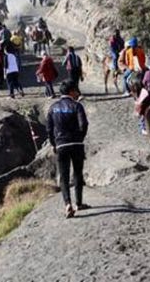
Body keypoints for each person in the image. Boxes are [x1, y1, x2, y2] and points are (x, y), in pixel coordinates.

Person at [47, 80, 89, 218]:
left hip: (61, 144)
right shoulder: (77, 106)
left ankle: (67, 204)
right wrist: (80, 138)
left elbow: (49, 129)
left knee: (64, 176)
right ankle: (79, 203)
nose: (77, 93)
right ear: (71, 91)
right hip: (76, 143)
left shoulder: (53, 108)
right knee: (78, 173)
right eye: (76, 90)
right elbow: (84, 125)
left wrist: (54, 144)